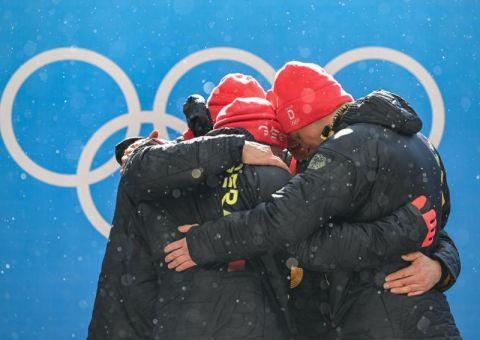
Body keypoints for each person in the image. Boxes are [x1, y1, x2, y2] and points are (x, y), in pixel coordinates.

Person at [164, 62, 461, 339]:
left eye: (291, 138)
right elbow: (426, 222)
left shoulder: (344, 149)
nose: (291, 149)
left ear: (304, 116)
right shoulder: (415, 142)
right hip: (416, 318)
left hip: (380, 321)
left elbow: (285, 226)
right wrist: (434, 259)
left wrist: (206, 242)